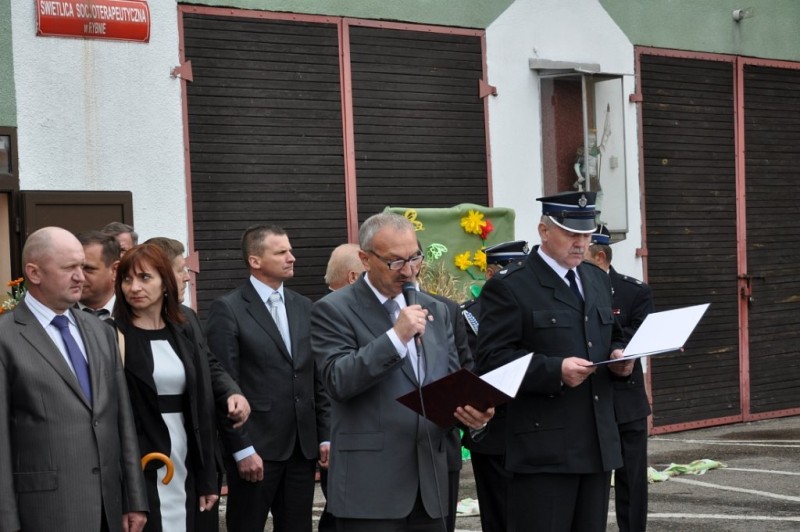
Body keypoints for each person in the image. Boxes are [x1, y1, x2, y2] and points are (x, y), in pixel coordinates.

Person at [310, 212, 493, 532]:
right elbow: (338, 379)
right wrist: (396, 338)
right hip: (370, 489)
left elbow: (449, 382)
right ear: (365, 259)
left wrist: (473, 416)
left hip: (431, 485)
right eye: (395, 262)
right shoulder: (333, 309)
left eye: (415, 258)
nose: (408, 270)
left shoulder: (436, 309)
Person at [476, 191, 634, 532]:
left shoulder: (595, 278)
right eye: (571, 233)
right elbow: (491, 360)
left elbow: (612, 335)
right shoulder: (512, 286)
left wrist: (619, 358)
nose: (581, 243)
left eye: (586, 235)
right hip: (543, 449)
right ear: (544, 231)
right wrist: (554, 370)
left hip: (596, 442)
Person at [0, 226, 148, 532]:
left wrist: (134, 499)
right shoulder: (6, 337)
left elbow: (122, 421)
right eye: (69, 268)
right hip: (44, 514)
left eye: (82, 266)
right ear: (34, 273)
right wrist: (6, 522)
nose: (81, 277)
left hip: (109, 511)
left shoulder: (100, 331)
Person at [206, 224, 328, 532]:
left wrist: (325, 435)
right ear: (255, 260)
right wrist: (242, 449)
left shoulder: (304, 306)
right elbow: (223, 385)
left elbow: (315, 378)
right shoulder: (229, 309)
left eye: (290, 250)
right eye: (281, 252)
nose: (292, 257)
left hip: (301, 450)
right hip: (256, 450)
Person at [114, 244, 231, 532]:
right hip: (143, 456)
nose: (134, 287)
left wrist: (207, 477)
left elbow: (201, 399)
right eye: (127, 279)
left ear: (165, 283)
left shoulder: (184, 325)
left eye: (145, 277)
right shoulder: (111, 332)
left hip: (187, 450)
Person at [143, 236, 251, 532]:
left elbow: (209, 364)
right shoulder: (121, 330)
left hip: (195, 451)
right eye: (180, 270)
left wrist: (232, 392)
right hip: (152, 453)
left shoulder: (186, 318)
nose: (187, 277)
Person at [585, 224, 654, 532]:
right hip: (589, 399)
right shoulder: (576, 291)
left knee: (632, 480)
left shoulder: (633, 291)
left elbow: (639, 337)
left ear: (600, 257)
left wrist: (619, 352)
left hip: (626, 399)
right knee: (592, 483)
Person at [459, 239, 528, 532]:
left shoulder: (532, 307)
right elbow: (469, 369)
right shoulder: (470, 315)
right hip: (494, 430)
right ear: (490, 274)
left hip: (536, 429)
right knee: (498, 516)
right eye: (509, 269)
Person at [77, 230, 121, 318]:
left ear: (115, 270)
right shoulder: (57, 312)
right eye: (71, 267)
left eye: (88, 269)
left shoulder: (136, 312)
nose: (78, 276)